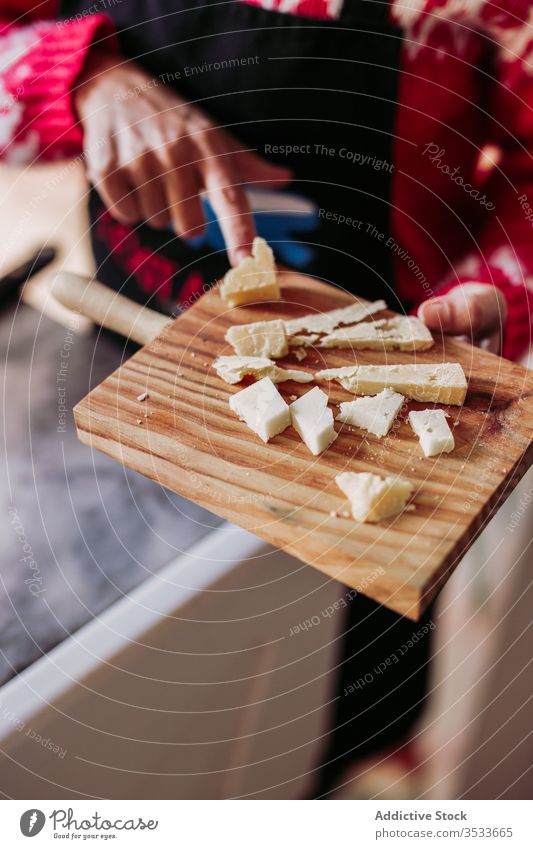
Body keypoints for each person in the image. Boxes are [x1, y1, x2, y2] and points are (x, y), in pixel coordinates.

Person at [1, 0, 531, 794]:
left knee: (299, 720)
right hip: (131, 364)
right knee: (147, 713)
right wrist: (80, 78)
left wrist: (494, 297)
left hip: (368, 429)